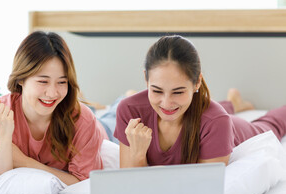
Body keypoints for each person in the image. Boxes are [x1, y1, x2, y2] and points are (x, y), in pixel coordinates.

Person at [114, 35, 286, 168]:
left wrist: (138, 160)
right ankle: (233, 102)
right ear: (146, 79)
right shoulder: (129, 111)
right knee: (187, 107)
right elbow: (130, 186)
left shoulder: (216, 121)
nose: (166, 103)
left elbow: (202, 191)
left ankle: (233, 104)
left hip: (233, 129)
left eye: (178, 91)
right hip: (200, 112)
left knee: (270, 124)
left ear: (197, 82)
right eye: (157, 90)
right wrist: (138, 156)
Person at [0, 31, 108, 185]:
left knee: (111, 117)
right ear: (21, 79)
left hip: (102, 130)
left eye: (62, 82)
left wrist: (24, 162)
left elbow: (85, 184)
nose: (52, 93)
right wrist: (4, 135)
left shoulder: (83, 119)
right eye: (43, 82)